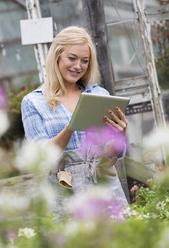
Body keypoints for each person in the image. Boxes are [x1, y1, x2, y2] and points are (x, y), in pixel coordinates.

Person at [21, 26, 129, 211]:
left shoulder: (99, 95)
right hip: (65, 187)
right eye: (71, 58)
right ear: (57, 57)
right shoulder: (33, 102)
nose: (78, 66)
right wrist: (72, 126)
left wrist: (121, 135)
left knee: (118, 237)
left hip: (102, 183)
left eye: (84, 61)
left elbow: (111, 155)